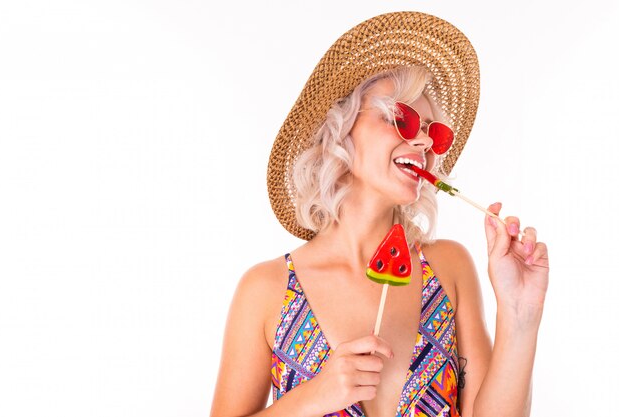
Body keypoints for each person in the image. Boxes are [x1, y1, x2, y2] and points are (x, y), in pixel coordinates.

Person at [211, 11, 549, 417]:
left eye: (432, 131)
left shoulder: (449, 268)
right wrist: (312, 397)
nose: (424, 139)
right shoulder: (265, 291)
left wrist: (520, 313)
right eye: (400, 119)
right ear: (339, 128)